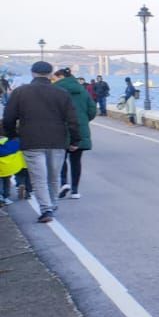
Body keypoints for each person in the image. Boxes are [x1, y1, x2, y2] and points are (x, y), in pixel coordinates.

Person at [1, 61, 82, 224]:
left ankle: (46, 209)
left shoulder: (20, 92)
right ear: (51, 74)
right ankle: (51, 205)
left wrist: (13, 135)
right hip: (57, 140)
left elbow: (9, 118)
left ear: (32, 73)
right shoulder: (61, 93)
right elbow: (73, 120)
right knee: (53, 176)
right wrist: (75, 140)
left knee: (39, 178)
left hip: (31, 140)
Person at [51, 67, 96, 199]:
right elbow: (92, 110)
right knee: (76, 161)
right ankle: (75, 190)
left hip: (61, 128)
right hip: (80, 128)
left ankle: (64, 182)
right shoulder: (82, 90)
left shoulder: (55, 90)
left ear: (60, 77)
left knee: (61, 158)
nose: (53, 80)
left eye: (54, 78)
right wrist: (83, 120)